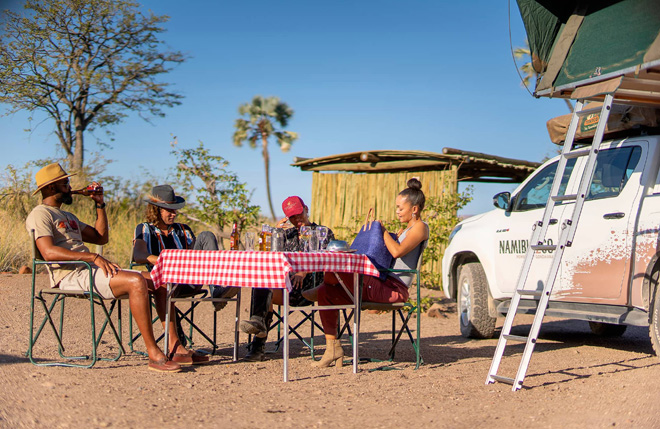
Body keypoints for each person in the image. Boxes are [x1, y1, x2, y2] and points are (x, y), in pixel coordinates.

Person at [25, 163, 180, 372]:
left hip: (88, 270)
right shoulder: (41, 214)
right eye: (66, 184)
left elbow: (101, 237)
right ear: (52, 188)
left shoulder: (69, 217)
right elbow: (48, 253)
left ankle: (175, 347)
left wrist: (100, 205)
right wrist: (92, 257)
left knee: (159, 279)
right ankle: (154, 354)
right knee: (135, 282)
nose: (70, 187)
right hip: (70, 275)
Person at [314, 178, 429, 368]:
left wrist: (382, 231)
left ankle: (325, 282)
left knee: (337, 273)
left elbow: (397, 252)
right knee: (325, 294)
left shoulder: (420, 227)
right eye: (396, 208)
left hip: (393, 290)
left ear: (414, 209)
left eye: (400, 208)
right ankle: (332, 348)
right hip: (380, 283)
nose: (397, 211)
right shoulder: (406, 228)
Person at [132, 185, 240, 361]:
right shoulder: (145, 229)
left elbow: (197, 257)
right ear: (156, 210)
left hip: (189, 279)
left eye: (175, 210)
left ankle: (217, 290)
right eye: (169, 210)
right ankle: (177, 345)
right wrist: (161, 260)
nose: (173, 214)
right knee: (165, 285)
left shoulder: (184, 230)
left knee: (206, 235)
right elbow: (138, 255)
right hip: (163, 280)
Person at [239, 196, 335, 362]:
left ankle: (258, 335)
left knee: (268, 287)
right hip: (287, 289)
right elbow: (270, 260)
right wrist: (275, 235)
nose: (297, 220)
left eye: (299, 214)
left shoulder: (323, 232)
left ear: (306, 209)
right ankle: (258, 336)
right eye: (292, 217)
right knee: (263, 282)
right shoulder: (286, 235)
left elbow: (329, 260)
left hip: (313, 288)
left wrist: (304, 271)